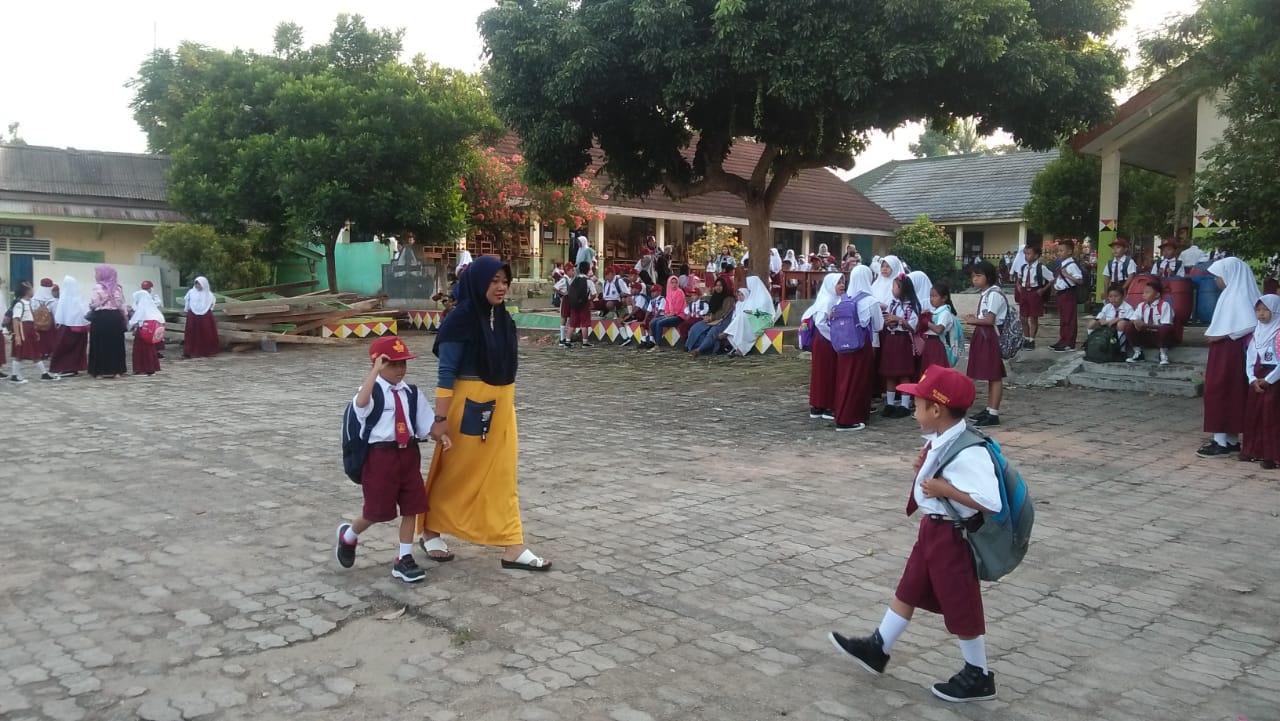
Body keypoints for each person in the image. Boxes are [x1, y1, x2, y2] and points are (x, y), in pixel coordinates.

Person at [828, 366, 1002, 704]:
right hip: (933, 530)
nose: (913, 409)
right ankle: (879, 646)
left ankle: (978, 673)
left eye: (917, 403)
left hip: (952, 537)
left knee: (960, 603)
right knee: (908, 589)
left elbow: (989, 501)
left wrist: (943, 488)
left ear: (936, 410)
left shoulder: (969, 451)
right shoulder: (945, 438)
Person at [416, 256, 550, 571]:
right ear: (478, 282)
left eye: (504, 281)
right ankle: (431, 528)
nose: (501, 287)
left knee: (503, 476)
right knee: (455, 473)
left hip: (502, 407)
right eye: (494, 281)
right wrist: (440, 418)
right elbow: (446, 372)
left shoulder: (502, 319)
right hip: (469, 408)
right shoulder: (460, 319)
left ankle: (512, 546)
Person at [334, 336, 433, 582]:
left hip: (408, 454)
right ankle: (349, 535)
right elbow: (361, 405)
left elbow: (426, 425)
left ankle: (404, 557)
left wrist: (442, 434)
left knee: (413, 506)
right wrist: (375, 372)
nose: (400, 369)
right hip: (380, 457)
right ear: (378, 364)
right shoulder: (372, 391)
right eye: (393, 364)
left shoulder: (411, 392)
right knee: (376, 511)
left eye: (404, 364)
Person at [1197, 257, 1261, 458]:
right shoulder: (1233, 293)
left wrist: (1223, 334)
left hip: (1231, 350)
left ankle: (1221, 441)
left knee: (1221, 390)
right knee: (1229, 390)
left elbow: (1251, 323)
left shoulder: (1238, 295)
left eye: (1218, 276)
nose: (1216, 280)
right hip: (1226, 349)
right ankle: (1230, 439)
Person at [830, 266, 883, 431]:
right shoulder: (870, 300)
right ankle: (851, 418)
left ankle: (841, 414)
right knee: (859, 381)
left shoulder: (842, 299)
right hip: (861, 345)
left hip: (842, 346)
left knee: (844, 380)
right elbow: (879, 326)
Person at [964, 261, 1007, 427]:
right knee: (989, 374)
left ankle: (994, 412)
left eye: (979, 276)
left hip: (991, 336)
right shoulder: (986, 293)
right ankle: (989, 409)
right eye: (973, 276)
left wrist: (973, 320)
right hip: (984, 335)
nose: (975, 279)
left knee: (994, 375)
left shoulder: (994, 294)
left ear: (988, 277)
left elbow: (990, 319)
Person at [1241, 295, 1280, 469]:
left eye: (1266, 310)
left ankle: (1272, 455)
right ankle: (1254, 450)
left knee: (1271, 417)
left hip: (1274, 381)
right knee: (1254, 415)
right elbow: (1250, 358)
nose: (1261, 314)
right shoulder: (1256, 333)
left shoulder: (1278, 334)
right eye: (1258, 310)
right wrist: (1252, 378)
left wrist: (1269, 380)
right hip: (1257, 379)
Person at [880, 275, 922, 418]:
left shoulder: (912, 306)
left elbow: (913, 326)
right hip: (890, 340)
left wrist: (899, 320)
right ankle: (890, 403)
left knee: (903, 372)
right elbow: (885, 320)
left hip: (903, 340)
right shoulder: (893, 304)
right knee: (889, 373)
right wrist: (888, 322)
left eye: (895, 287)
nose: (892, 290)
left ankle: (904, 404)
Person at [805, 273, 844, 419]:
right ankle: (825, 405)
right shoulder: (827, 300)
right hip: (825, 340)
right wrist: (835, 336)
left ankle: (820, 404)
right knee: (825, 372)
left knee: (825, 372)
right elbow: (821, 322)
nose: (842, 285)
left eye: (842, 282)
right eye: (838, 282)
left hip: (827, 339)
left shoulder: (836, 299)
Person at [8, 281, 56, 382]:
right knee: (19, 353)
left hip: (29, 329)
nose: (33, 290)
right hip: (23, 330)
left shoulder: (28, 302)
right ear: (26, 291)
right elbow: (16, 319)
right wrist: (17, 336)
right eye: (31, 289)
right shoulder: (20, 304)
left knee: (35, 352)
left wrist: (34, 330)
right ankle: (15, 375)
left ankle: (44, 373)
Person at [1119, 278, 1174, 366]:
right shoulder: (1141, 305)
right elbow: (1133, 318)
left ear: (1157, 295)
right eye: (1144, 292)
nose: (1144, 294)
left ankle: (1163, 354)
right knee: (1128, 326)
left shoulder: (1164, 305)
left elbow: (1166, 324)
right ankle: (1138, 353)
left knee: (1165, 329)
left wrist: (1146, 325)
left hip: (1159, 336)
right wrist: (1136, 322)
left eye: (1147, 292)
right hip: (1146, 335)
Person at [88, 265, 128, 379]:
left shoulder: (97, 288)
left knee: (99, 343)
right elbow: (121, 304)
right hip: (115, 318)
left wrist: (91, 306)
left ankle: (99, 371)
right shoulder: (117, 288)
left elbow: (94, 303)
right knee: (116, 344)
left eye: (97, 273)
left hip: (100, 317)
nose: (95, 275)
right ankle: (117, 370)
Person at [722, 276, 776, 357]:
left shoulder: (764, 297)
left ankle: (729, 334)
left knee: (744, 318)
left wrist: (751, 312)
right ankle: (738, 347)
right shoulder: (752, 296)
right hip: (753, 316)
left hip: (764, 319)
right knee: (742, 317)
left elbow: (764, 312)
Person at [49, 275, 89, 377]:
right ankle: (73, 367)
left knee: (63, 347)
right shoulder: (79, 297)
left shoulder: (65, 297)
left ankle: (66, 367)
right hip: (78, 327)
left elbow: (60, 313)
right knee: (76, 348)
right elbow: (83, 312)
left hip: (66, 327)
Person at [1015, 246, 1053, 350]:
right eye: (1025, 254)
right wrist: (1018, 285)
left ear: (1036, 256)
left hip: (1035, 292)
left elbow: (1051, 279)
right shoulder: (1023, 267)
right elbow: (1019, 277)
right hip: (1024, 292)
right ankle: (1026, 338)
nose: (1026, 256)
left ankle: (1032, 340)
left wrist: (1043, 289)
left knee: (1033, 317)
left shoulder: (1041, 268)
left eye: (1029, 254)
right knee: (1023, 317)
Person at [686, 277, 736, 357]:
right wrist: (707, 316)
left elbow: (724, 312)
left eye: (720, 285)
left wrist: (712, 318)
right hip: (712, 319)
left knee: (713, 331)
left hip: (724, 320)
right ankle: (689, 347)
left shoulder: (729, 298)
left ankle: (698, 350)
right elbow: (711, 309)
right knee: (695, 327)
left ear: (724, 286)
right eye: (716, 285)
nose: (718, 287)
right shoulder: (715, 296)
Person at [1050, 240, 1084, 352]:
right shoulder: (1063, 263)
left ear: (1069, 251)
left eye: (1061, 250)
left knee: (1069, 318)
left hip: (1068, 293)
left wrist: (1067, 275)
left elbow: (1079, 280)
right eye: (1058, 251)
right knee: (1063, 318)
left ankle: (1069, 342)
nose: (1059, 253)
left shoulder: (1072, 265)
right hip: (1061, 294)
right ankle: (1063, 340)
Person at [921, 282, 959, 371]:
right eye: (930, 296)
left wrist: (926, 322)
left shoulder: (944, 312)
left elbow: (939, 329)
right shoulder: (935, 311)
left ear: (944, 298)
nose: (931, 299)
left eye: (934, 296)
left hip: (938, 345)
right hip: (930, 344)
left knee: (937, 372)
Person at [555, 263, 593, 348]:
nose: (573, 271)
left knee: (571, 323)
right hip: (574, 302)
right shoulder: (566, 279)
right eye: (572, 270)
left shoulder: (574, 279)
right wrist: (563, 293)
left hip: (573, 303)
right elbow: (555, 287)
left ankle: (567, 340)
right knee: (580, 323)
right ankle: (564, 339)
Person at [182, 276, 221, 358]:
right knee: (192, 333)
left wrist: (206, 309)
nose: (197, 286)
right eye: (196, 284)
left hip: (205, 315)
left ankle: (206, 351)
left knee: (206, 332)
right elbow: (187, 301)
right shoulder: (191, 292)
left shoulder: (209, 295)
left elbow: (211, 304)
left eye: (199, 284)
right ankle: (190, 351)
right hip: (193, 315)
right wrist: (187, 310)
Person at [646, 276, 687, 352]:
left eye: (675, 282)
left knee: (659, 323)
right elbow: (667, 307)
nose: (674, 284)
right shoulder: (669, 292)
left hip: (679, 316)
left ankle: (658, 346)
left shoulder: (679, 292)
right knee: (652, 322)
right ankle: (656, 343)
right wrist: (667, 314)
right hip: (670, 315)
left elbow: (678, 309)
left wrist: (670, 314)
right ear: (669, 283)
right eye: (672, 283)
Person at [128, 289, 164, 376]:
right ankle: (151, 368)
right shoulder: (152, 307)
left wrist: (128, 326)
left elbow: (135, 319)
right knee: (150, 350)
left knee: (141, 350)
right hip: (151, 333)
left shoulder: (142, 307)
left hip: (142, 332)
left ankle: (142, 369)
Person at [1088, 284, 1134, 350]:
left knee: (1121, 324)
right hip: (1107, 330)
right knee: (1092, 323)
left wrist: (1117, 319)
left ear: (1123, 296)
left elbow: (1130, 320)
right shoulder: (1107, 306)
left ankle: (1120, 349)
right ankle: (1092, 344)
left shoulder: (1128, 308)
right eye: (1110, 296)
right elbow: (1100, 316)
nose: (1113, 299)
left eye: (1116, 296)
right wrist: (1101, 320)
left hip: (1118, 330)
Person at [31, 278, 58, 360]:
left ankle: (40, 352)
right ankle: (49, 352)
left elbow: (32, 309)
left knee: (40, 337)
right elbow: (55, 312)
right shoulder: (53, 300)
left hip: (38, 321)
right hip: (49, 322)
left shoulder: (34, 299)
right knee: (50, 337)